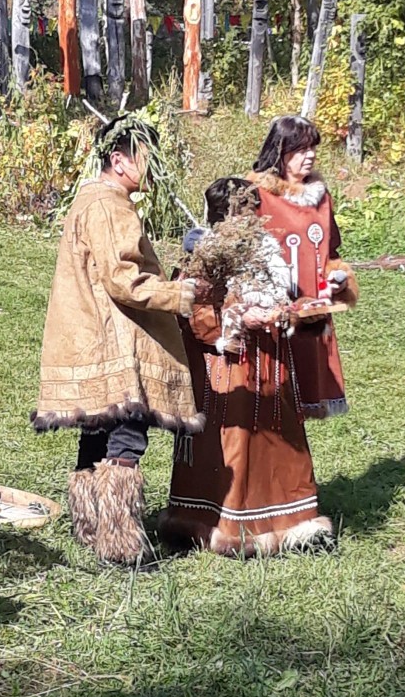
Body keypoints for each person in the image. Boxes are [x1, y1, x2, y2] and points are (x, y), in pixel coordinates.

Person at [31, 115, 213, 566]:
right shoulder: (110, 206)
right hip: (116, 341)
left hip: (92, 336)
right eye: (148, 158)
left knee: (97, 430)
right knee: (126, 433)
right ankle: (118, 541)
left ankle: (90, 525)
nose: (155, 168)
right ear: (119, 160)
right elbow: (123, 280)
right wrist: (180, 294)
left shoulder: (89, 199)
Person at [158, 177, 336, 557]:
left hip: (270, 363)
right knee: (233, 443)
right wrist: (231, 324)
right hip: (228, 368)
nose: (256, 216)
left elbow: (283, 294)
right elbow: (191, 307)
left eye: (256, 209)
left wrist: (289, 313)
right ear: (228, 215)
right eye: (248, 210)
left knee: (279, 438)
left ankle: (291, 523)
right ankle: (226, 525)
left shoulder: (265, 251)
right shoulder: (206, 255)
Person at [247, 115, 358, 419]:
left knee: (305, 391)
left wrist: (339, 280)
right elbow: (241, 253)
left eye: (312, 148)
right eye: (300, 150)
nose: (309, 156)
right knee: (272, 396)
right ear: (280, 152)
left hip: (313, 310)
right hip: (274, 310)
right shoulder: (257, 195)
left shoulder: (321, 197)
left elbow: (330, 252)